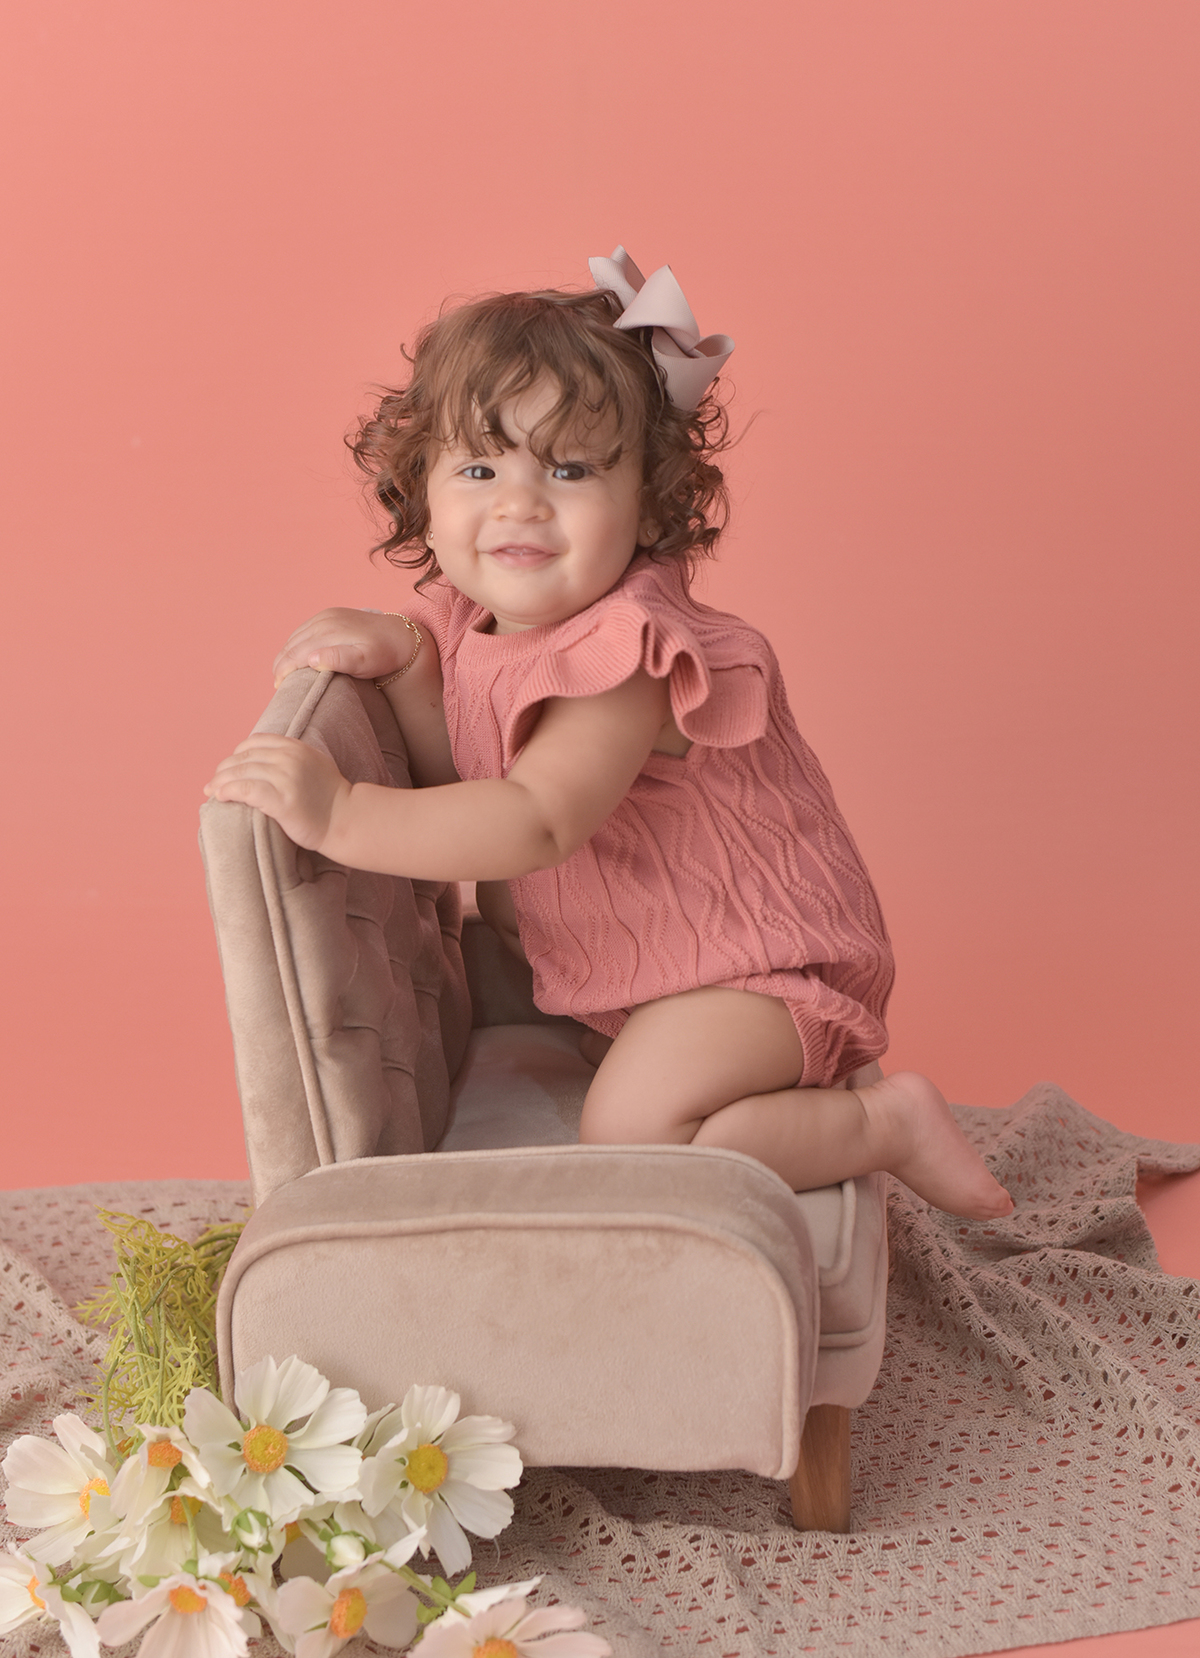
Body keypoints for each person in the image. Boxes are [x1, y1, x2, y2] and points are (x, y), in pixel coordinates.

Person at [205, 247, 1013, 1221]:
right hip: (648, 969)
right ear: (421, 489)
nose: (520, 502)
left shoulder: (629, 654)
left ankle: (884, 1122)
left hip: (757, 970)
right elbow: (461, 770)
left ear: (650, 501)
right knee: (634, 1080)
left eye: (571, 468)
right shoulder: (475, 622)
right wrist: (411, 660)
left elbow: (532, 819)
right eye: (478, 466)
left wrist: (339, 814)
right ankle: (711, 1067)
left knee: (634, 1130)